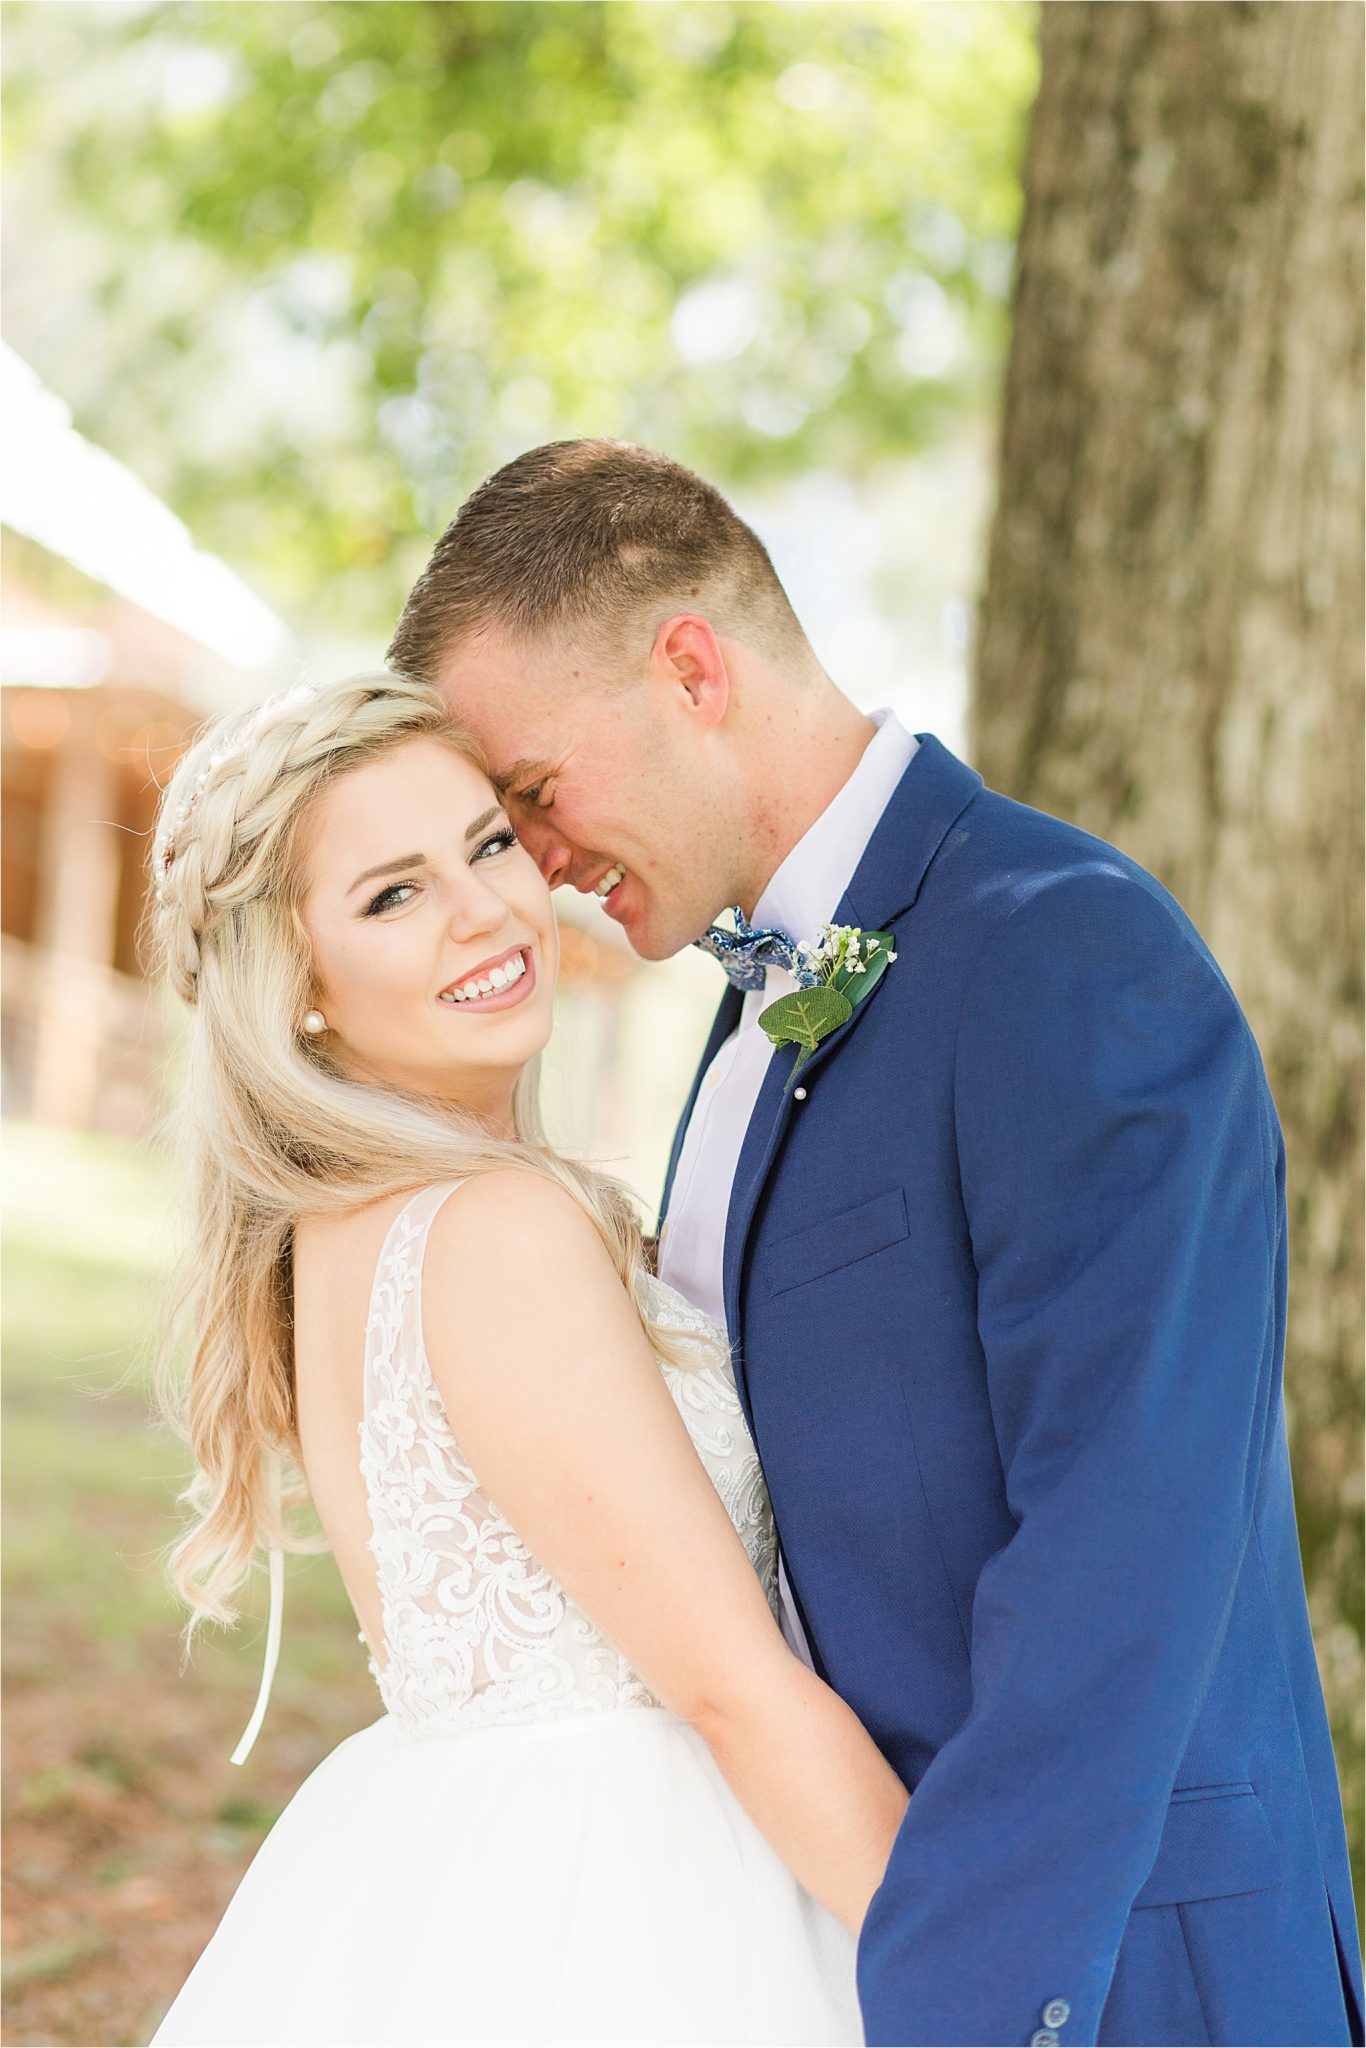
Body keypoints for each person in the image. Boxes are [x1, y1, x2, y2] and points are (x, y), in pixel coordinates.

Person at [388, 438, 1365, 2048]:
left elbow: (1116, 1563)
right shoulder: (759, 1003)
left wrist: (959, 2007)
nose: (536, 864)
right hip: (845, 1935)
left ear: (689, 669)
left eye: (532, 794)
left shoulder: (1065, 950)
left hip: (1100, 1974)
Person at [146, 671, 907, 2048]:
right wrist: (995, 1983)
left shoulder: (342, 1228)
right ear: (299, 986)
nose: (485, 910)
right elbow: (730, 1686)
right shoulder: (495, 1228)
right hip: (632, 1903)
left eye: (486, 844)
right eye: (392, 894)